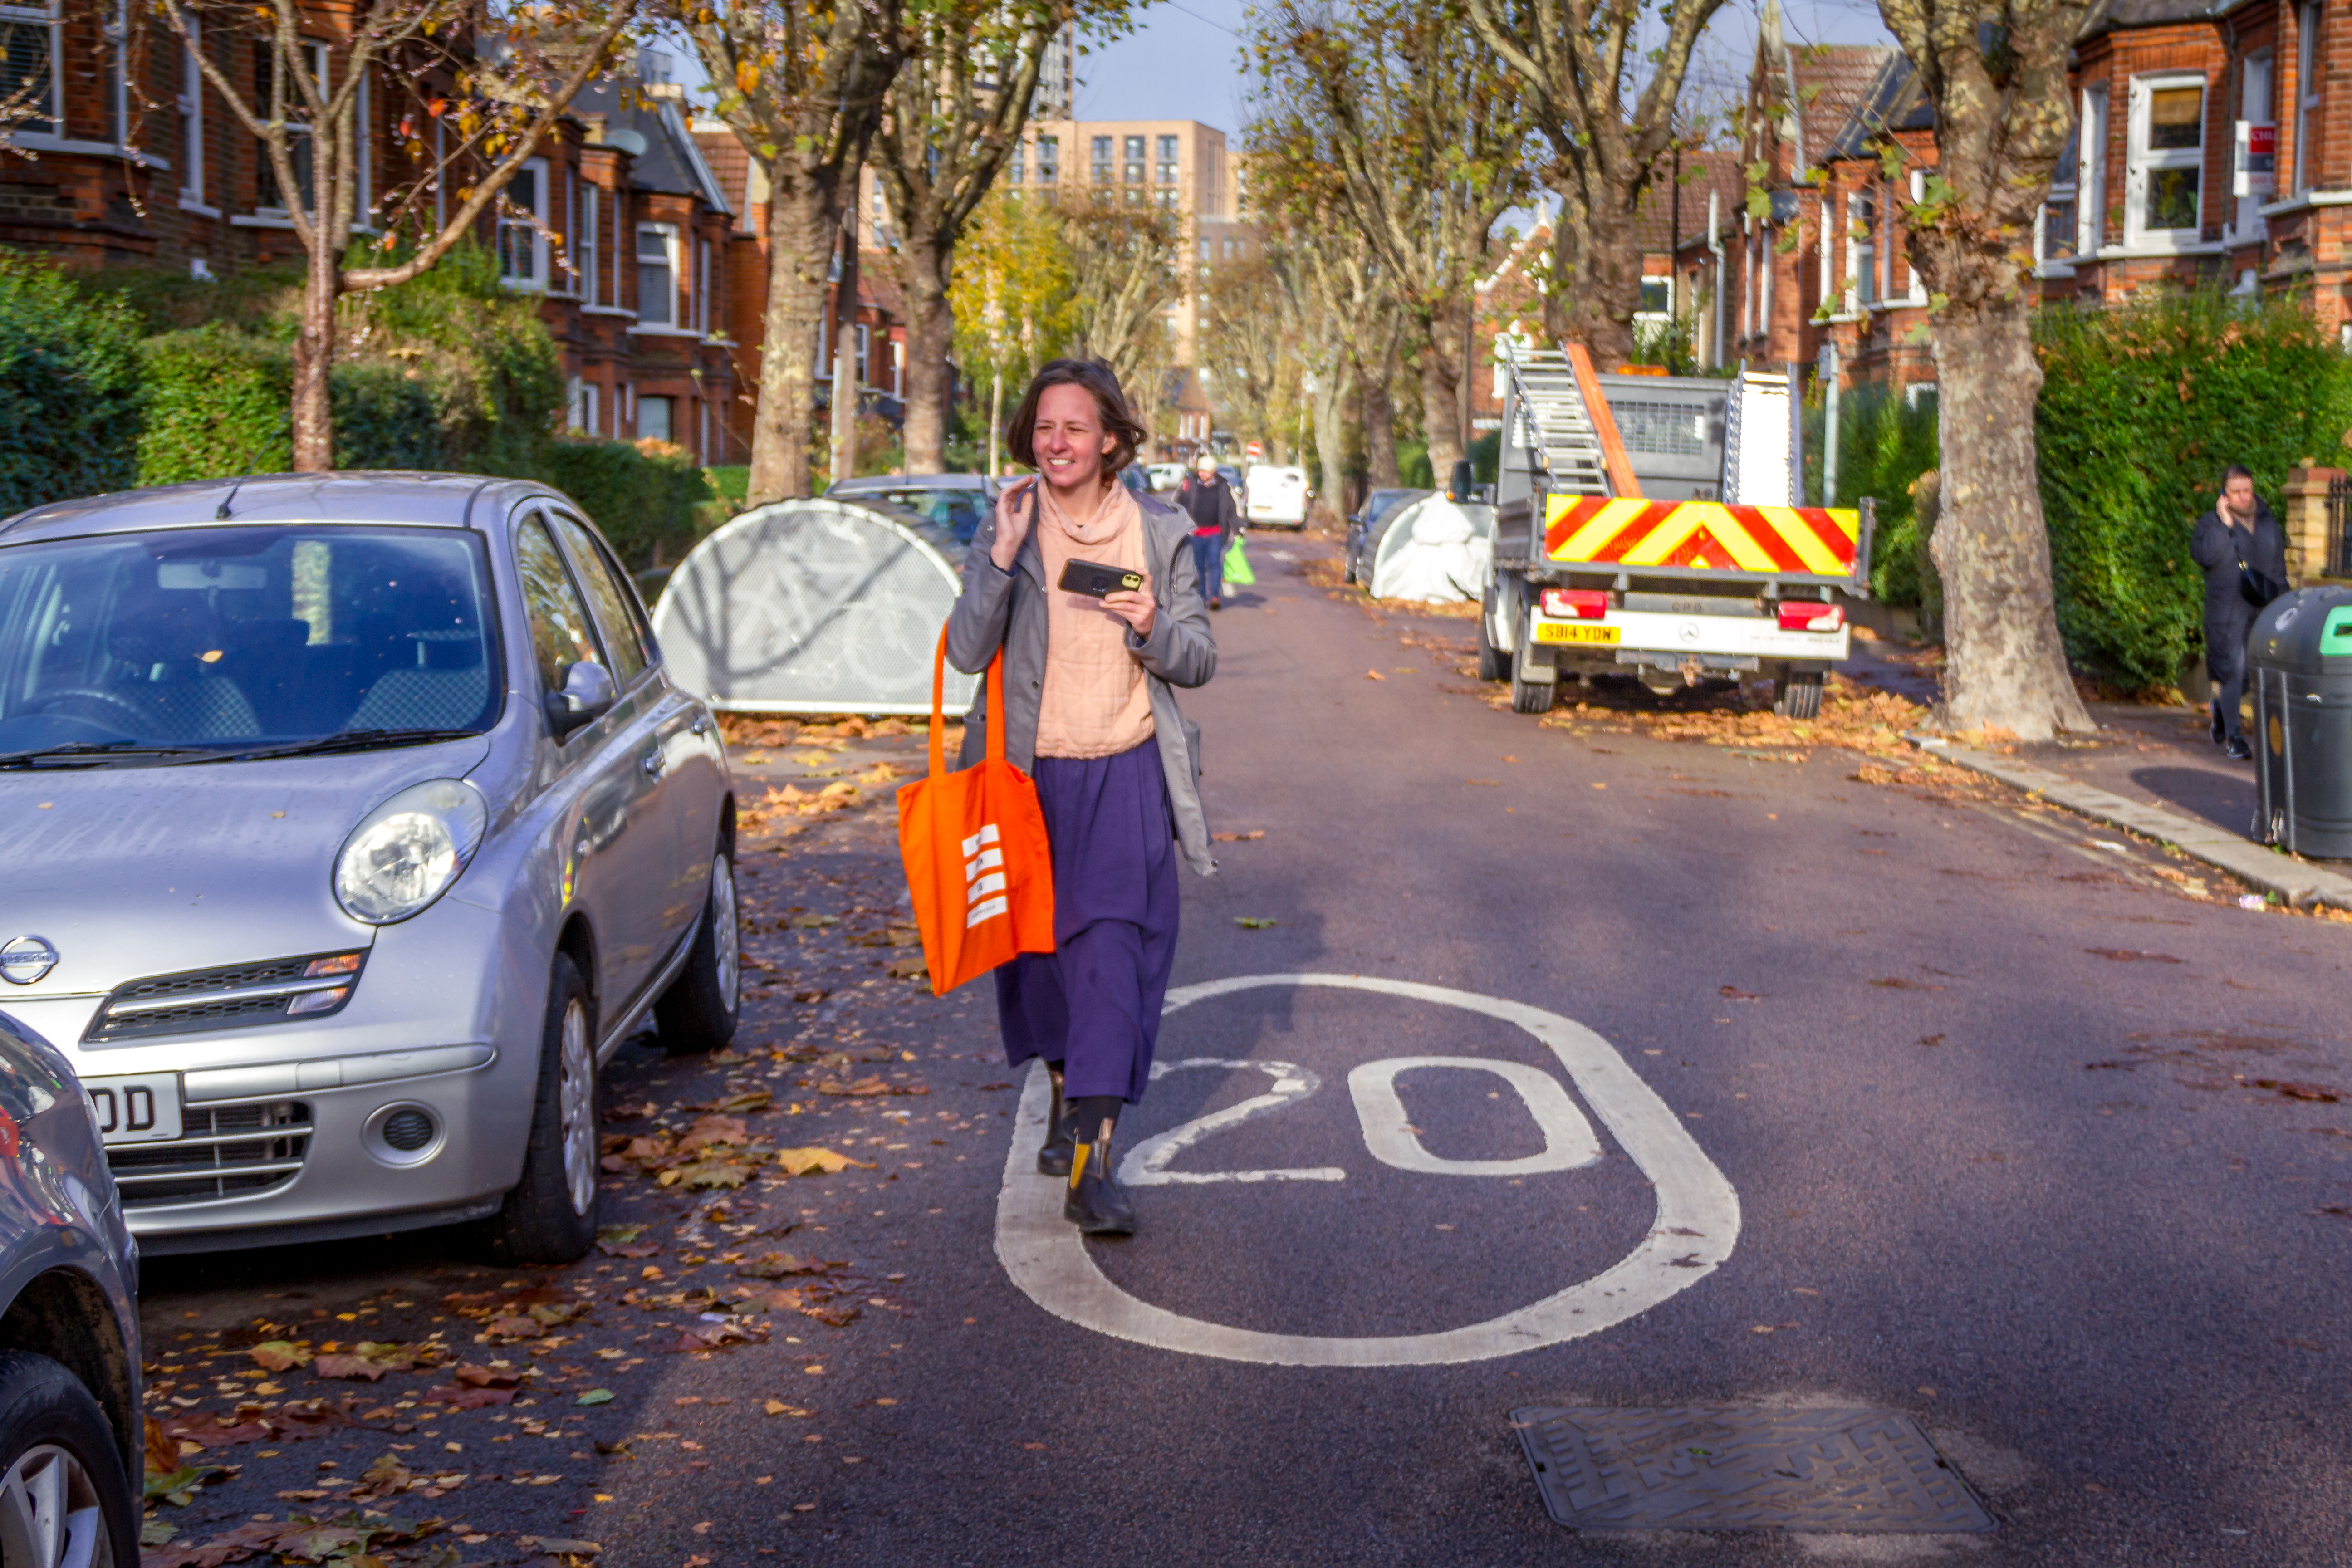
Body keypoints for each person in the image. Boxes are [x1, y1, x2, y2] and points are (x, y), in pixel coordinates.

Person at [945, 359, 1218, 1236]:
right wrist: (995, 555)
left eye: (1075, 428)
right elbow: (963, 649)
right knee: (1035, 965)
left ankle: (1093, 1161)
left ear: (1109, 440)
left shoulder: (1160, 531)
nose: (1055, 442)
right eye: (1044, 427)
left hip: (1125, 770)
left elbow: (1199, 659)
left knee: (1109, 957)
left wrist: (1151, 628)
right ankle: (1066, 1088)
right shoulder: (1011, 527)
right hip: (1025, 778)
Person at [2190, 464, 2288, 761]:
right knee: (2234, 668)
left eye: (2248, 490)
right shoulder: (2210, 524)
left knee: (2251, 673)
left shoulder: (2268, 523)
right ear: (2224, 494)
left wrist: (2284, 603)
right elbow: (2206, 556)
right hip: (2227, 610)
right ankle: (2234, 737)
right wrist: (2225, 524)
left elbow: (2277, 567)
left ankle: (2220, 708)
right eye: (2237, 492)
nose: (2244, 497)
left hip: (2261, 607)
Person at [1174, 451, 1241, 609]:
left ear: (1213, 472)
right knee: (1198, 566)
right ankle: (1202, 597)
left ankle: (1215, 596)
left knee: (1214, 563)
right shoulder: (1189, 484)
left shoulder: (1223, 486)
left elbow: (1231, 509)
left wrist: (1238, 530)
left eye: (1206, 471)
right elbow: (1178, 505)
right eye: (1201, 471)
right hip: (1196, 533)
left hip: (1216, 533)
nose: (1203, 474)